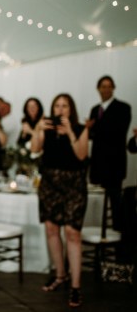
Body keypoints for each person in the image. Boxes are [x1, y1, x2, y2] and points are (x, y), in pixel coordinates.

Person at [31, 94, 88, 308]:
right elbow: (35, 149)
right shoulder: (47, 128)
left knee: (72, 233)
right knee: (51, 230)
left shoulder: (80, 129)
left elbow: (81, 155)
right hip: (49, 185)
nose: (61, 109)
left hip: (74, 186)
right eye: (57, 106)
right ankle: (60, 275)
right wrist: (37, 130)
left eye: (65, 106)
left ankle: (76, 286)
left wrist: (70, 132)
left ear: (71, 109)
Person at [87, 76, 132, 231]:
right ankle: (96, 231)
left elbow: (118, 132)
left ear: (113, 88)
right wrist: (88, 130)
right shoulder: (95, 110)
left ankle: (119, 235)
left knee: (115, 201)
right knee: (96, 199)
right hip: (97, 162)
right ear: (98, 89)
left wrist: (94, 128)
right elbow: (93, 136)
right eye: (103, 86)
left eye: (109, 86)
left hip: (114, 163)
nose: (106, 89)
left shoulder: (123, 108)